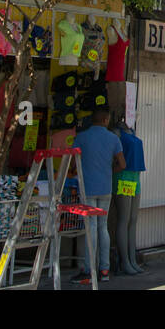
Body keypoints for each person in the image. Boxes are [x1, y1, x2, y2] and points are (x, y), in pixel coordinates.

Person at [72, 108, 125, 284]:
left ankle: (89, 269)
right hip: (105, 188)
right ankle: (104, 269)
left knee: (90, 227)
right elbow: (122, 164)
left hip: (87, 187)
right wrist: (109, 171)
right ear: (105, 120)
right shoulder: (113, 138)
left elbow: (73, 161)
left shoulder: (81, 137)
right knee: (103, 227)